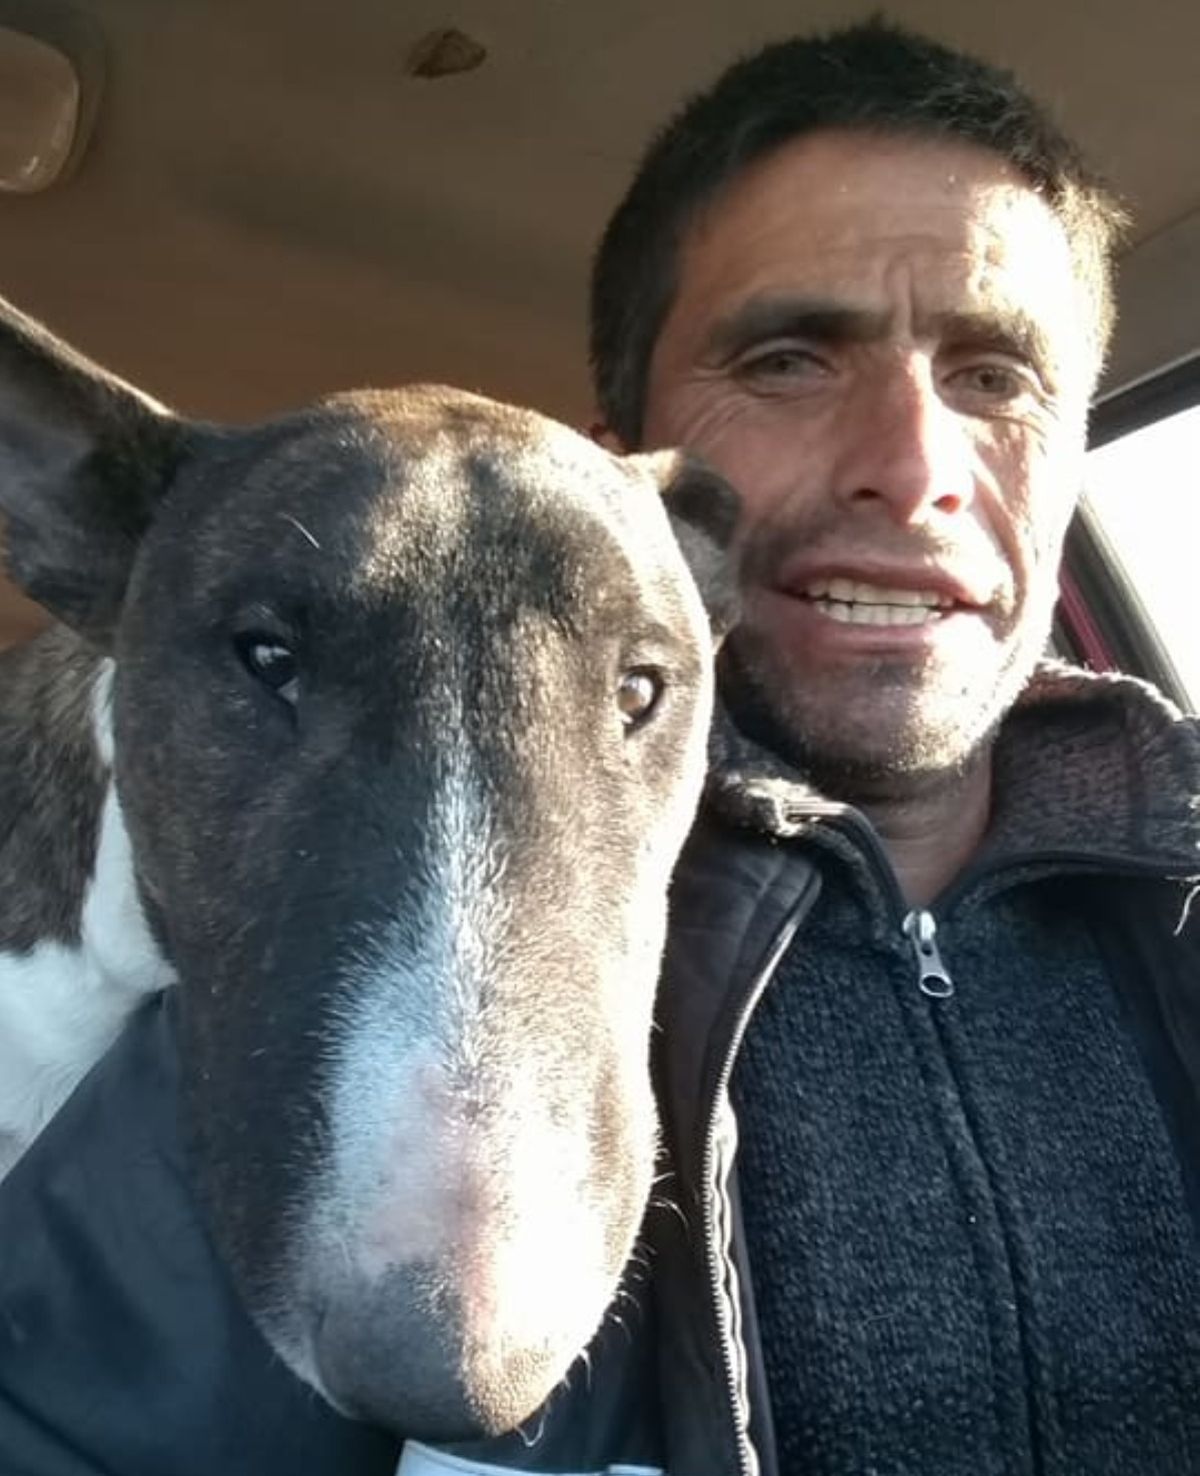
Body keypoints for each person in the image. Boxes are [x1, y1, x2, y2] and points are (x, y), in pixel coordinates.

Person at [1, 18, 1197, 1476]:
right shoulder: (253, 995)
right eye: (788, 358)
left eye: (999, 377)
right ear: (617, 474)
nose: (912, 468)